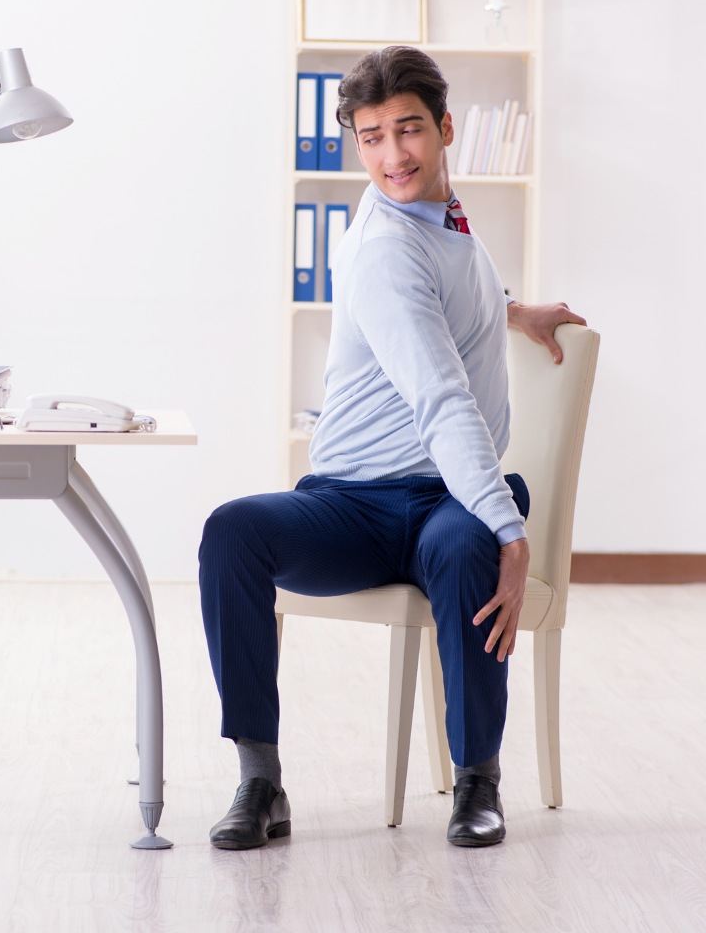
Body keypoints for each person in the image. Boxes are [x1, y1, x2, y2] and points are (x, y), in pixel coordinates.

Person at [199, 45, 585, 850]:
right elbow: (440, 394)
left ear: (445, 130)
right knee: (232, 531)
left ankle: (478, 779)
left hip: (447, 500)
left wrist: (514, 309)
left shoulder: (449, 221)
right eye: (370, 138)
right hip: (352, 506)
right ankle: (259, 779)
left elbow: (447, 292)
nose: (392, 155)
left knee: (465, 544)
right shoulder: (379, 241)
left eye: (407, 131)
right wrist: (517, 535)